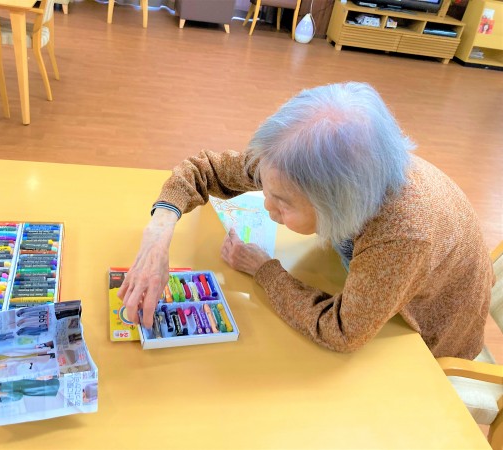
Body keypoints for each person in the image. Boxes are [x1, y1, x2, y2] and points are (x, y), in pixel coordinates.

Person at [119, 82, 494, 359]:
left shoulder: (401, 235)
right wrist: (158, 234)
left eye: (282, 204)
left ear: (339, 207)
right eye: (265, 188)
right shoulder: (294, 160)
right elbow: (203, 171)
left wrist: (264, 269)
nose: (267, 206)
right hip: (385, 277)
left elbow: (341, 332)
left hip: (428, 333)